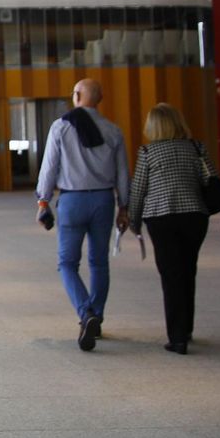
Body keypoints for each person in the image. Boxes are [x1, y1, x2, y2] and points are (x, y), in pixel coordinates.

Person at [35, 78, 131, 351]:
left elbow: (50, 166)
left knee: (67, 263)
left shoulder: (62, 126)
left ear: (77, 96)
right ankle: (96, 316)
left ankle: (85, 311)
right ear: (99, 99)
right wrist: (124, 206)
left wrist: (43, 201)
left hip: (72, 200)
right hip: (103, 199)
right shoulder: (113, 130)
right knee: (99, 262)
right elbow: (123, 172)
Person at [128, 103, 215, 355]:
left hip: (161, 217)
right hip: (194, 216)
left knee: (170, 275)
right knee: (188, 271)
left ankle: (177, 337)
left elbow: (139, 189)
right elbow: (210, 179)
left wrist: (133, 220)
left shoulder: (148, 152)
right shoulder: (197, 147)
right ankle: (186, 328)